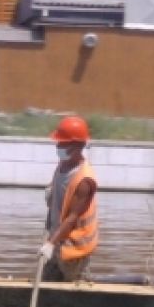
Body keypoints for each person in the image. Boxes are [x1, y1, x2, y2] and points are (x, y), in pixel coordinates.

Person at [40, 115, 98, 282]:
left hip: (74, 247)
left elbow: (72, 217)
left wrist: (50, 244)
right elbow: (57, 189)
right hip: (56, 238)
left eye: (62, 143)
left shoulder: (84, 180)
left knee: (75, 287)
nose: (58, 146)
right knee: (47, 285)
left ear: (76, 146)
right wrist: (50, 192)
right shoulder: (63, 163)